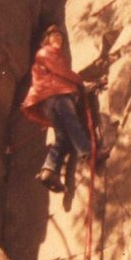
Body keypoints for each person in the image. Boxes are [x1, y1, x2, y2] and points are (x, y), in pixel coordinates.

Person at [21, 25, 97, 192]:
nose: (59, 39)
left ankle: (49, 171)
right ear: (46, 39)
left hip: (48, 101)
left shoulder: (51, 55)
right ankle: (89, 152)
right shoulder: (45, 53)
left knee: (63, 138)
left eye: (61, 37)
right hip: (57, 95)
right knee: (72, 122)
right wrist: (81, 83)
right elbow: (62, 72)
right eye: (55, 35)